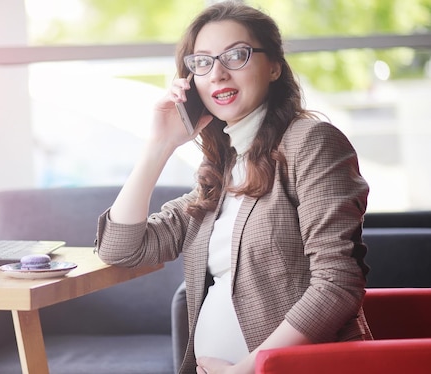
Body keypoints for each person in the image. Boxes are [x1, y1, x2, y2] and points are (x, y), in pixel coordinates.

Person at [95, 2, 372, 374]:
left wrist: (244, 370)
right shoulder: (220, 174)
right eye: (202, 62)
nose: (218, 74)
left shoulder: (311, 141)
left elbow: (337, 285)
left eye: (236, 55)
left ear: (274, 66)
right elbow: (120, 249)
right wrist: (158, 146)